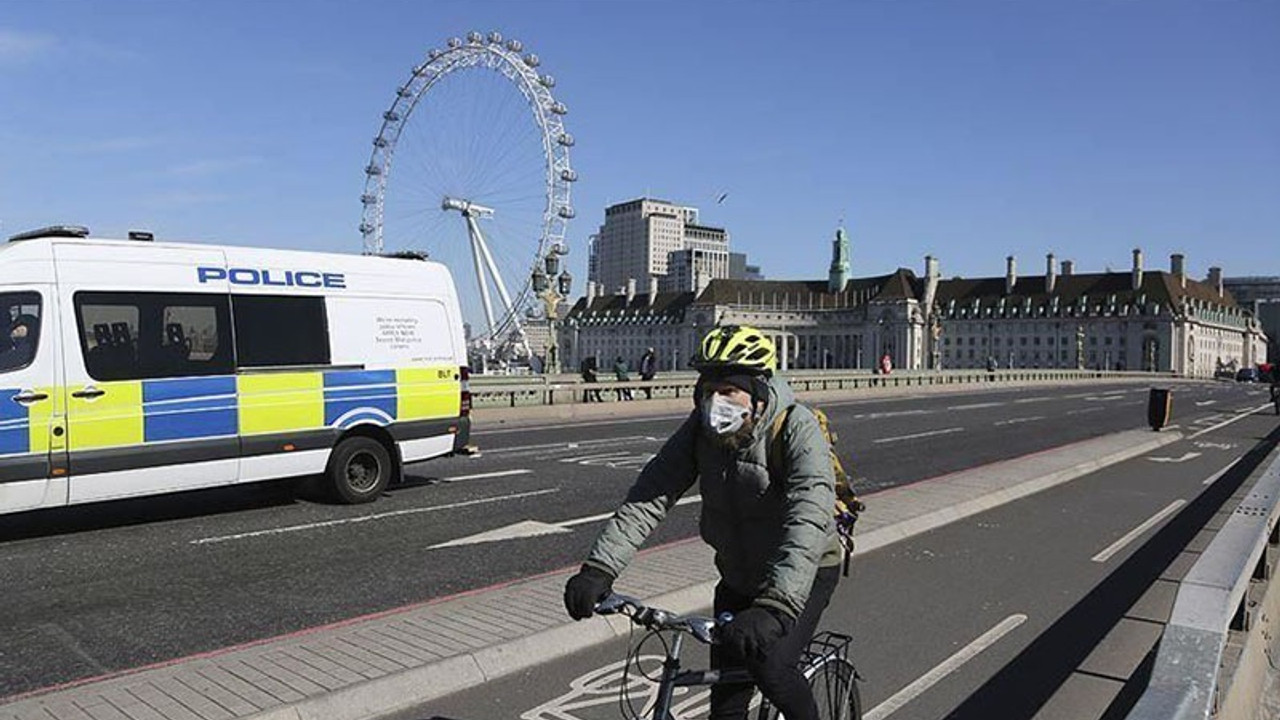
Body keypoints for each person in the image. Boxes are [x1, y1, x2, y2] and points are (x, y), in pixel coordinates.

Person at [564, 325, 842, 720]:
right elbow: (651, 495)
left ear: (758, 394)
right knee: (726, 703)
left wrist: (777, 607)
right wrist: (598, 569)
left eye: (728, 391)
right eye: (707, 391)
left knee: (771, 669)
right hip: (738, 576)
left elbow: (808, 517)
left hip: (805, 573)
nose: (715, 402)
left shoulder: (795, 427)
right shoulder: (700, 430)